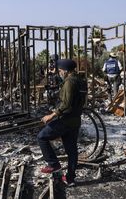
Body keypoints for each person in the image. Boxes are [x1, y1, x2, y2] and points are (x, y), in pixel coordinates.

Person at [37, 59, 85, 187]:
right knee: (71, 150)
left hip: (65, 120)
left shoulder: (69, 82)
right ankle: (70, 179)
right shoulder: (80, 81)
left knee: (42, 137)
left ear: (65, 71)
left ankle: (54, 165)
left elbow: (66, 103)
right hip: (75, 120)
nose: (59, 73)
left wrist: (52, 115)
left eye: (59, 71)